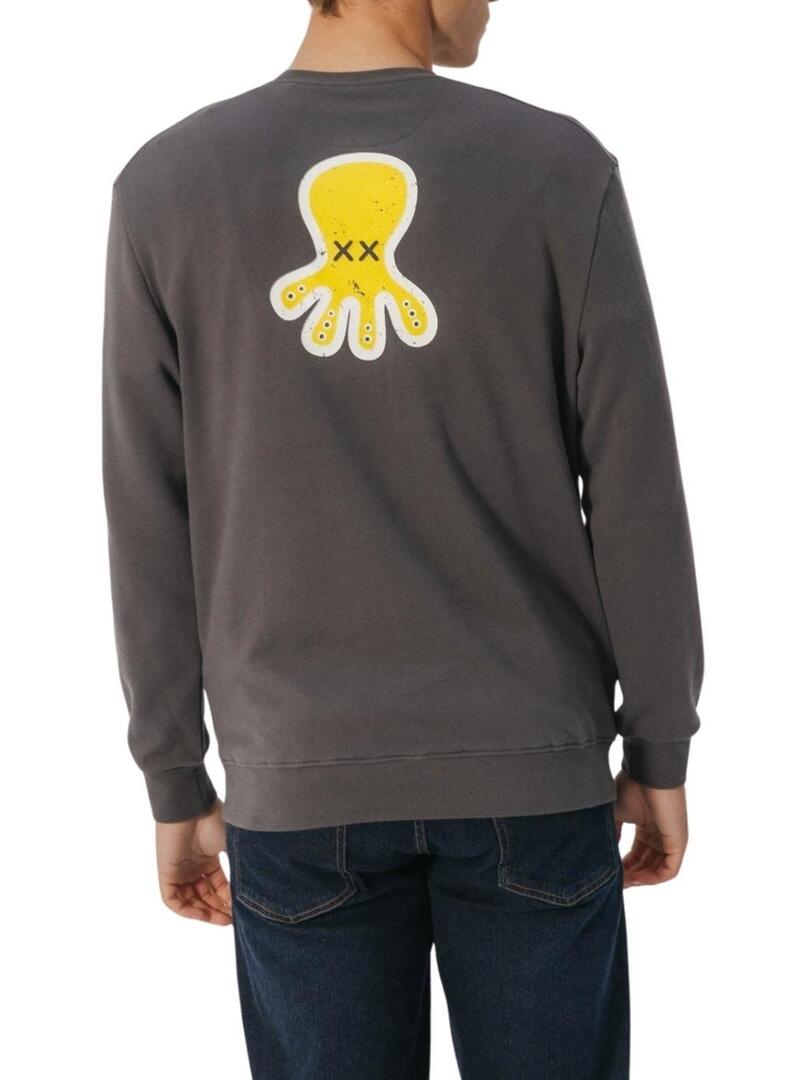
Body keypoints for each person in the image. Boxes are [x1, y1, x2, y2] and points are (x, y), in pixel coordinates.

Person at [102, 1, 704, 1076]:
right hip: (532, 779)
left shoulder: (166, 185)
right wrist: (657, 743)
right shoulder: (558, 171)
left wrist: (174, 772)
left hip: (295, 786)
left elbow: (148, 511)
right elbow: (633, 487)